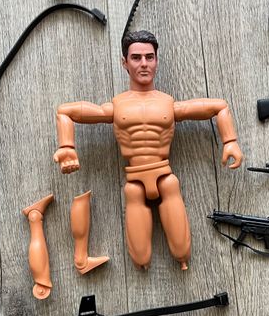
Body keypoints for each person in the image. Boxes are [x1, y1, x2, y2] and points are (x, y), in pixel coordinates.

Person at [54, 30, 243, 270]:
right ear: (124, 63)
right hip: (134, 182)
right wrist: (67, 146)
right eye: (136, 58)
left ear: (156, 60)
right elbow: (65, 112)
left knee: (182, 251)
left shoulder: (168, 103)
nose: (143, 63)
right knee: (140, 258)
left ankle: (182, 261)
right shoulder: (117, 105)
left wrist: (230, 140)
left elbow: (219, 106)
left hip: (165, 177)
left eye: (149, 57)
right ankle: (152, 263)